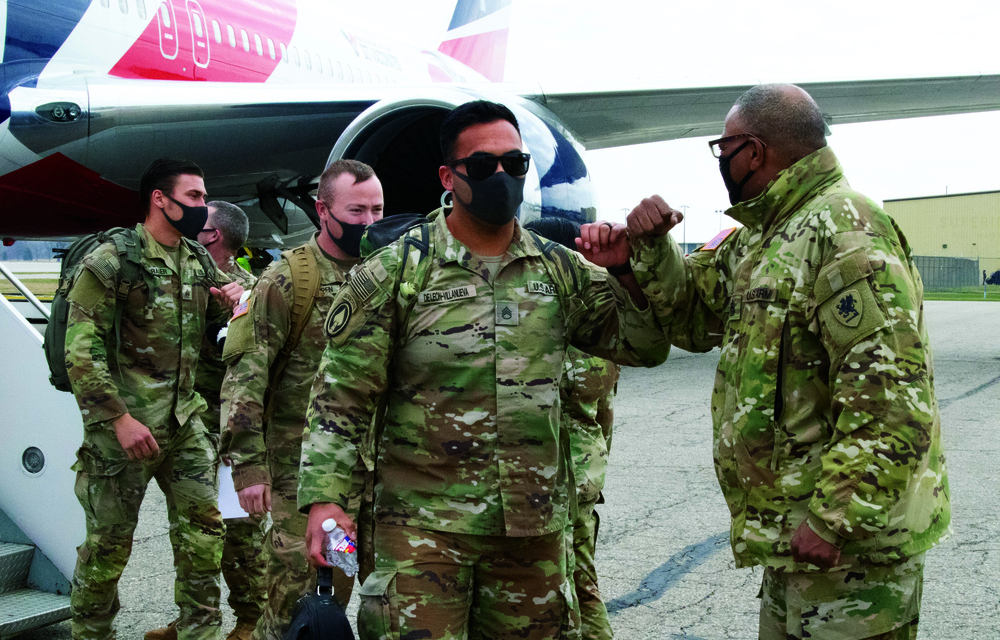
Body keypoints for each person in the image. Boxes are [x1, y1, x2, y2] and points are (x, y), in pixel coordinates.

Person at [298, 100, 671, 640]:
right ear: (449, 177)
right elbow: (342, 396)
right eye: (482, 166)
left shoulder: (560, 268)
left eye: (515, 164)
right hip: (423, 531)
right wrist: (327, 501)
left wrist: (630, 276)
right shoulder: (400, 270)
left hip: (532, 530)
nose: (502, 176)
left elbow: (643, 345)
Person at [626, 84, 950, 639]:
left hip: (848, 548)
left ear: (752, 150)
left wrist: (836, 519)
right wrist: (649, 252)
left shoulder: (844, 228)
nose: (721, 160)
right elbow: (695, 320)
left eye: (723, 147)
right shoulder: (764, 236)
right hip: (796, 537)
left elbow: (892, 396)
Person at [66, 158, 243, 640]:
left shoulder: (195, 256)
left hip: (185, 422)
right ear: (159, 199)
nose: (203, 207)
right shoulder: (112, 260)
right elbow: (81, 351)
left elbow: (213, 334)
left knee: (204, 538)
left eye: (205, 197)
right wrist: (119, 419)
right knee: (108, 549)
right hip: (124, 431)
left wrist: (234, 298)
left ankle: (198, 633)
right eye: (194, 197)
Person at [220, 160, 384, 640]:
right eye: (356, 210)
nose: (370, 222)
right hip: (306, 480)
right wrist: (247, 467)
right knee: (304, 601)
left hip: (380, 476)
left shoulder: (390, 272)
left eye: (377, 209)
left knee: (372, 593)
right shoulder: (289, 278)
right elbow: (245, 373)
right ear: (323, 211)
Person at [146, 201, 265, 640]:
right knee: (192, 532)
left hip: (231, 428)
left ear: (213, 236)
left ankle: (252, 619)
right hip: (189, 427)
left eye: (201, 222)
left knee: (239, 534)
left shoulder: (250, 291)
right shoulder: (187, 281)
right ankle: (197, 617)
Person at [525, 217, 620, 640]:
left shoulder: (546, 325)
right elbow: (605, 416)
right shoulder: (598, 329)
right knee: (583, 583)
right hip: (583, 478)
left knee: (555, 594)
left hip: (546, 483)